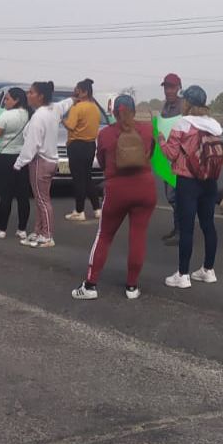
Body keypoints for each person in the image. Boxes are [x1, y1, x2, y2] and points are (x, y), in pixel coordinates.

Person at [72, 95, 157, 300]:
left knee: (105, 235)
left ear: (114, 112)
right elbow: (150, 154)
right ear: (134, 110)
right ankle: (132, 287)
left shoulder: (106, 134)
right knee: (138, 236)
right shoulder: (146, 129)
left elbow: (101, 160)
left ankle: (90, 285)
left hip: (117, 189)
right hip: (145, 188)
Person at [159, 85, 222, 289]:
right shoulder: (214, 125)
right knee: (208, 225)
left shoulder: (183, 124)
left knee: (187, 229)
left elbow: (170, 154)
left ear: (188, 102)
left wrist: (161, 139)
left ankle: (183, 274)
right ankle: (208, 270)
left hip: (188, 180)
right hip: (210, 180)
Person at [14, 81, 75, 248]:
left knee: (42, 200)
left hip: (40, 161)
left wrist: (19, 163)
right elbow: (65, 104)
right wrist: (74, 98)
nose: (28, 95)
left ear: (40, 96)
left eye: (31, 92)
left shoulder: (39, 116)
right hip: (50, 161)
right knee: (41, 199)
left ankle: (47, 236)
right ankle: (39, 231)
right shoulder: (54, 109)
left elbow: (31, 144)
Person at [0, 87, 31, 239]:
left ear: (16, 100)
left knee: (6, 195)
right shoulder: (30, 114)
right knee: (23, 196)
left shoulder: (6, 116)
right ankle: (22, 230)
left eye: (7, 98)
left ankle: (2, 229)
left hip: (6, 158)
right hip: (23, 158)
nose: (5, 101)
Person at [63, 79, 102, 222]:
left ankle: (79, 211)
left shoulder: (77, 107)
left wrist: (62, 120)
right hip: (90, 145)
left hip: (76, 145)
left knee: (78, 179)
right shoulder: (95, 108)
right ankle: (97, 209)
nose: (75, 91)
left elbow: (71, 126)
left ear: (84, 91)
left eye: (77, 89)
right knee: (87, 177)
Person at [158, 73, 183, 246]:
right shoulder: (165, 107)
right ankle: (177, 228)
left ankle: (181, 231)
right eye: (166, 87)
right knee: (171, 196)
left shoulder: (183, 106)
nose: (168, 91)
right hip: (167, 156)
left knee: (177, 196)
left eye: (171, 87)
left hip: (180, 157)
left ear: (178, 88)